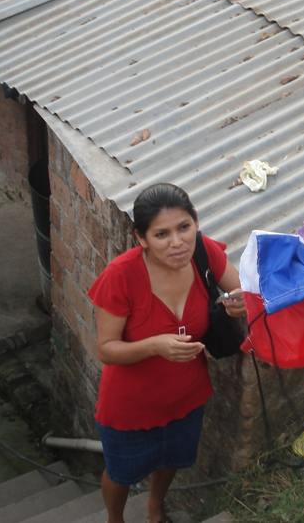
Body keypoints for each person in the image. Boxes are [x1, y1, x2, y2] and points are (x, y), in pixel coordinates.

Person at [88, 183, 246, 523]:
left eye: (184, 227)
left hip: (186, 397)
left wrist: (238, 303)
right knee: (121, 473)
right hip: (130, 406)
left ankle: (155, 507)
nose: (177, 242)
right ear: (141, 238)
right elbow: (107, 349)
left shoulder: (204, 253)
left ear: (195, 222)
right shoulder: (121, 276)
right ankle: (115, 518)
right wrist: (155, 346)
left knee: (171, 459)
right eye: (162, 234)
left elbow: (243, 290)